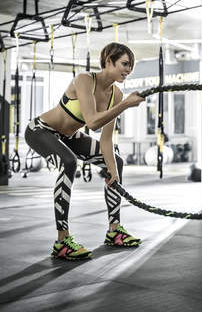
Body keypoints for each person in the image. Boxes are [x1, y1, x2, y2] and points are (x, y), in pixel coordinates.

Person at [24, 43, 145, 260]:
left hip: (70, 137)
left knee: (116, 161)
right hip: (41, 130)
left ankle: (114, 231)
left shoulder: (116, 94)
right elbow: (92, 122)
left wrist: (113, 171)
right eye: (124, 64)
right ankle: (62, 241)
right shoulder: (84, 80)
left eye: (131, 66)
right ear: (108, 61)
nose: (128, 70)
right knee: (69, 163)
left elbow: (106, 138)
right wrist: (125, 105)